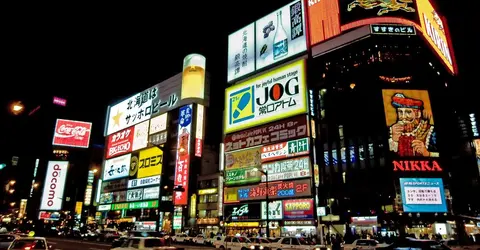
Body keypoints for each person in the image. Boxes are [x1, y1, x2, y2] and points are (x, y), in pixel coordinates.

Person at [388, 93, 438, 157]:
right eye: (400, 112)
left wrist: (427, 153)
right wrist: (394, 139)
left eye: (408, 112)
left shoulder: (431, 132)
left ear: (418, 114)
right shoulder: (391, 131)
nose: (403, 117)